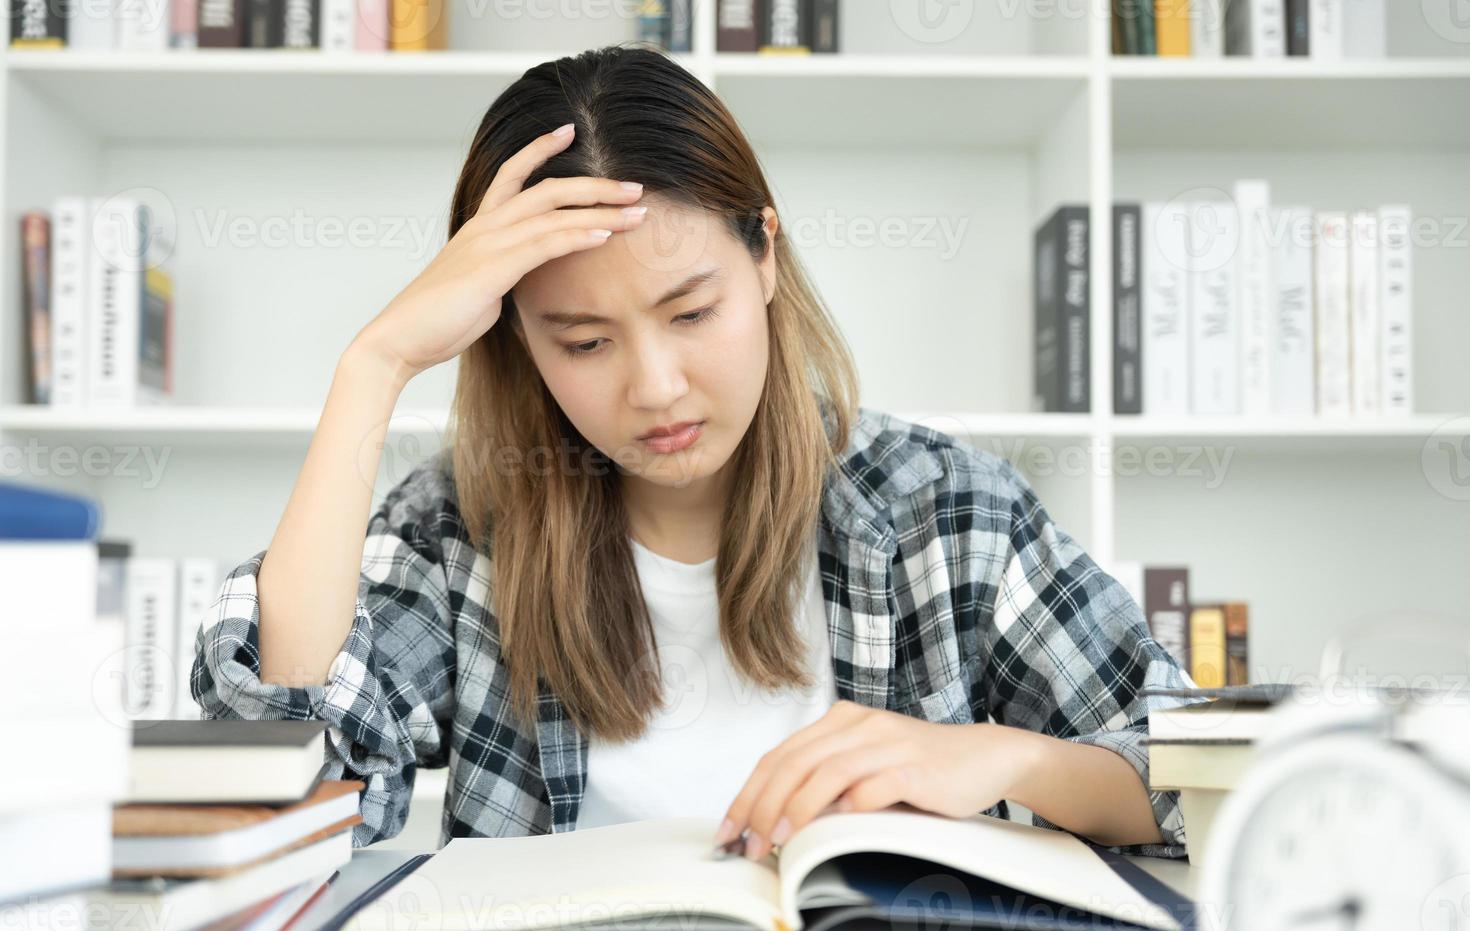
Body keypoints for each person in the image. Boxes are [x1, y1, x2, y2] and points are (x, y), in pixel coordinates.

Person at [193, 44, 1190, 861]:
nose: (655, 386)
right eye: (583, 341)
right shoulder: (462, 527)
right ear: (519, 340)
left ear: (764, 253)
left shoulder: (943, 511)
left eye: (691, 309)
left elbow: (1192, 769)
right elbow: (282, 788)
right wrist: (374, 364)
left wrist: (1001, 758)